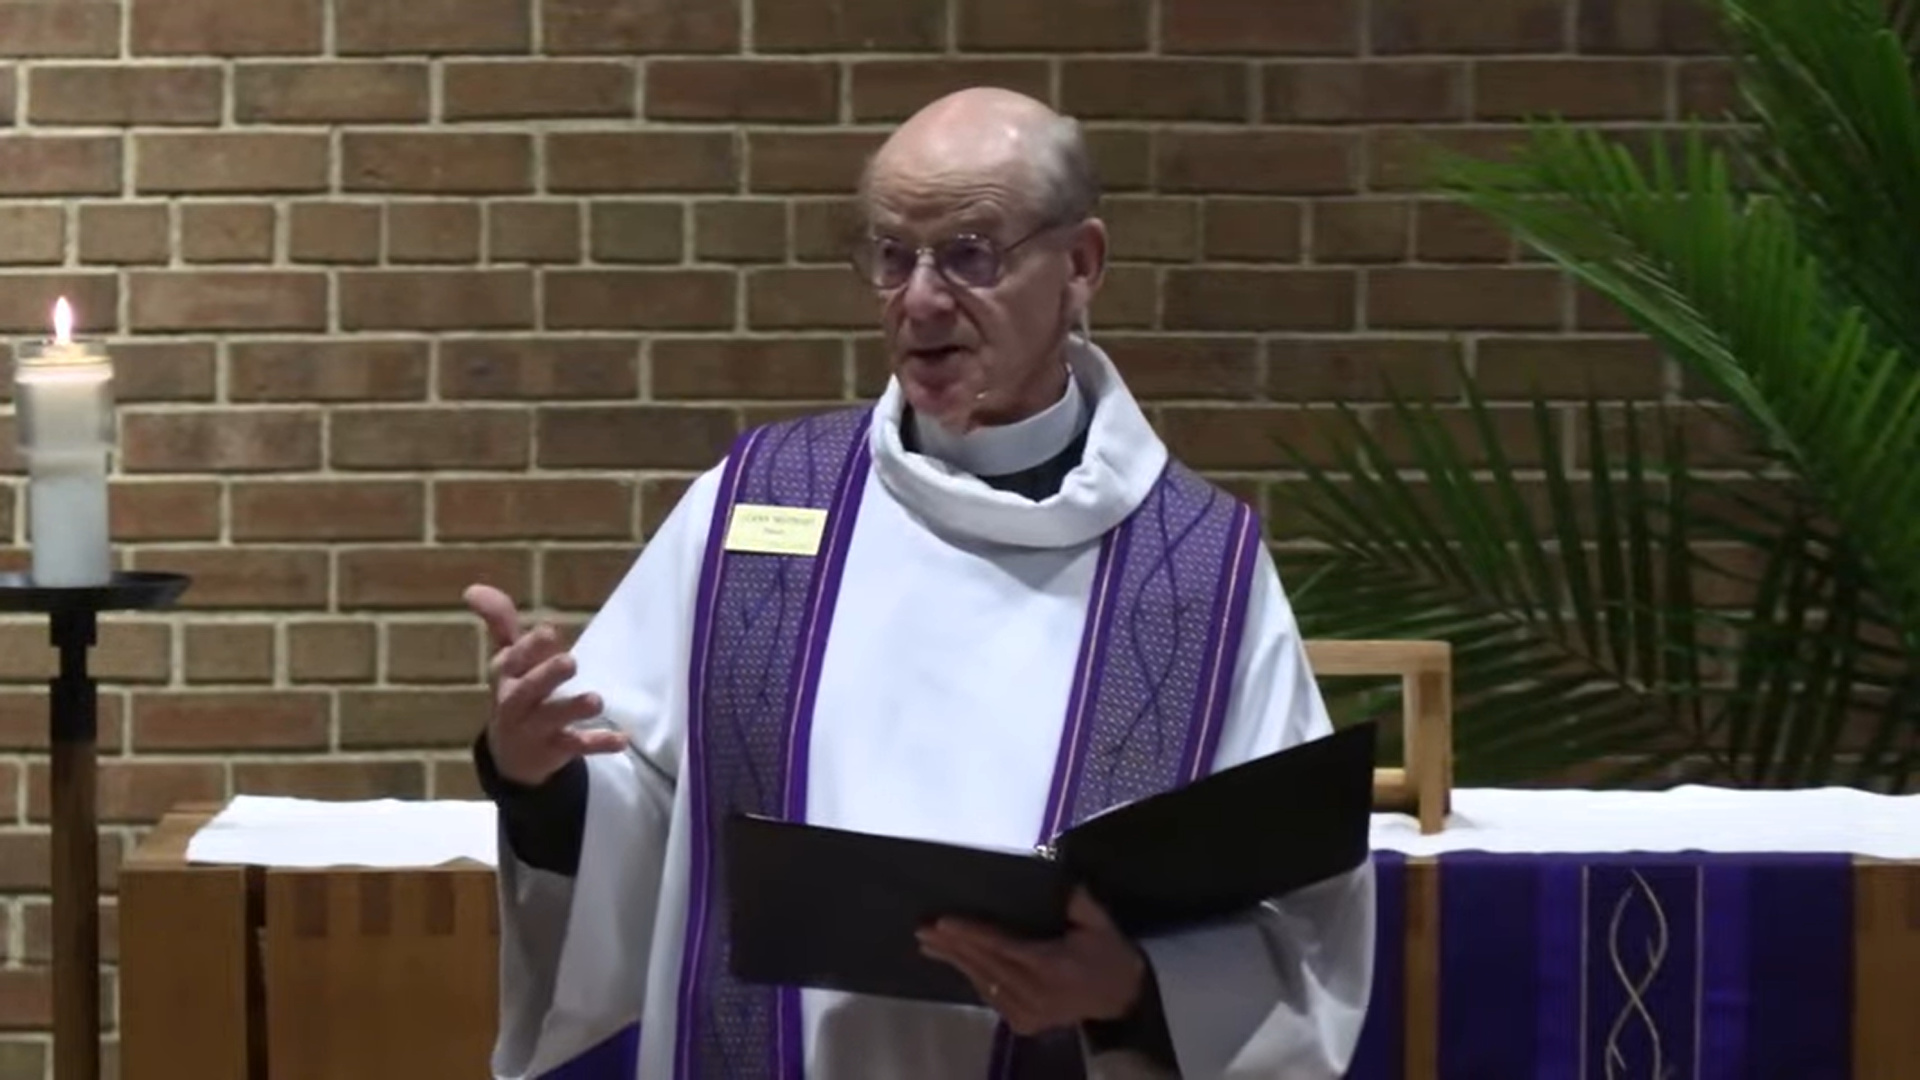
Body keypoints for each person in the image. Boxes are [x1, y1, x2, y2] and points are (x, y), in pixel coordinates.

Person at [464, 87, 1376, 1080]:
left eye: (971, 255)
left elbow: (1305, 922)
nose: (923, 300)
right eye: (893, 255)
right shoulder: (757, 508)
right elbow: (652, 818)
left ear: (1081, 265)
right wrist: (541, 779)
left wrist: (1132, 988)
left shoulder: (1200, 568)